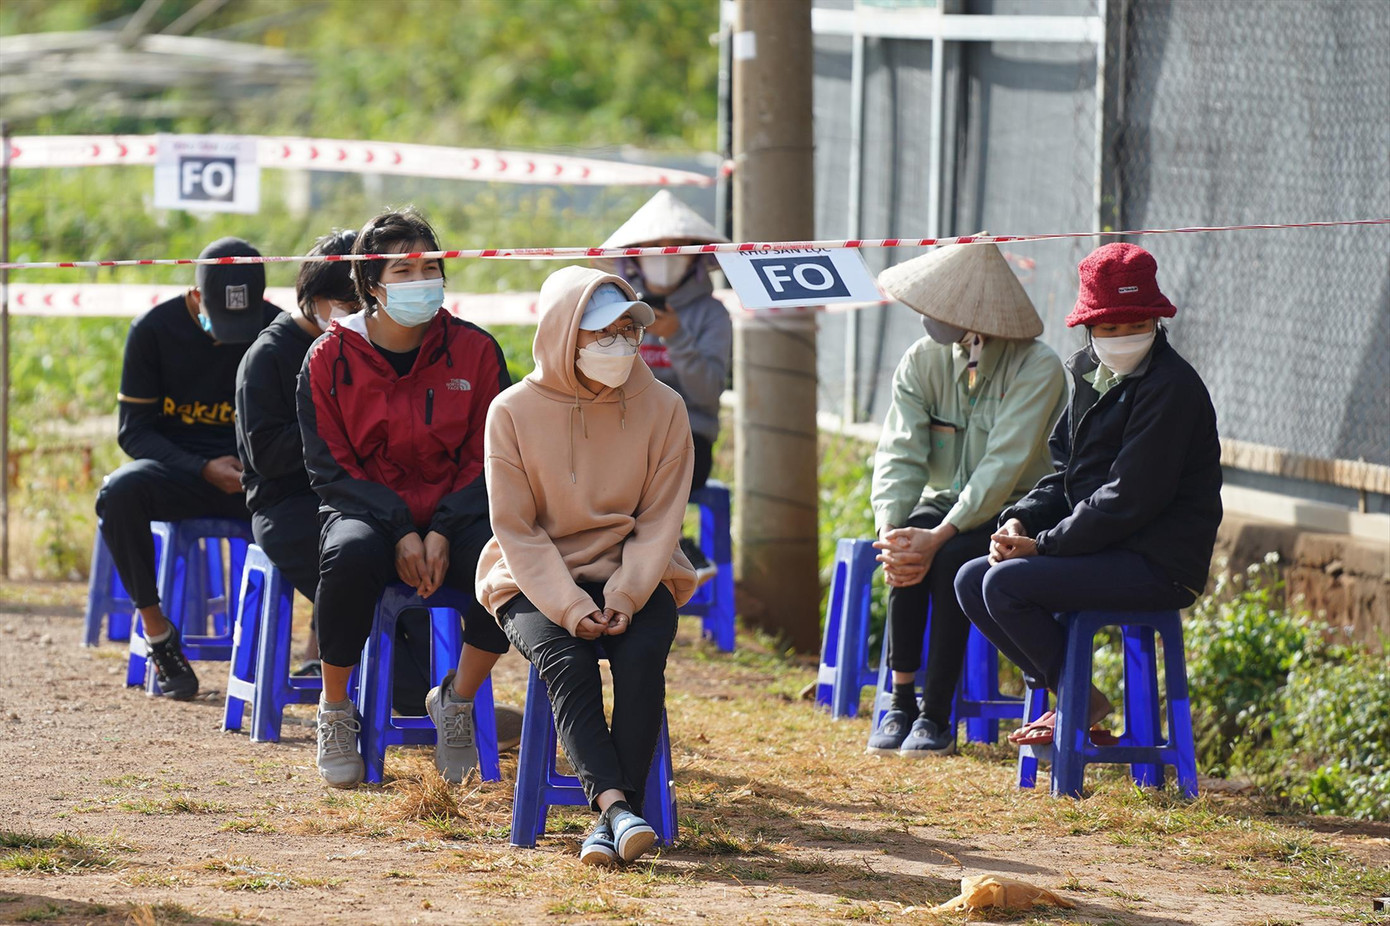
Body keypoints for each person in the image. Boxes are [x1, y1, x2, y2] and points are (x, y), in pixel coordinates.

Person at [953, 242, 1222, 746]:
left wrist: (1047, 546)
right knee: (972, 578)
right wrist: (1020, 522)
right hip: (1102, 550)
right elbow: (1065, 474)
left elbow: (1131, 496)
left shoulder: (1173, 387)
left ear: (1155, 322)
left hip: (1156, 563)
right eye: (1109, 328)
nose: (1122, 338)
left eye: (1134, 326)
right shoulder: (1087, 374)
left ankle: (1078, 700)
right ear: (1089, 329)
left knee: (1004, 586)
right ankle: (1072, 692)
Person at [477, 266, 696, 867]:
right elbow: (516, 528)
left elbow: (659, 522)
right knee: (565, 659)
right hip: (532, 575)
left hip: (639, 569)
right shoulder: (512, 411)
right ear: (560, 333)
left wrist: (624, 597)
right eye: (602, 332)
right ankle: (619, 810)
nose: (620, 343)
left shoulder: (665, 408)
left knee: (643, 652)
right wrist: (571, 607)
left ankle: (610, 816)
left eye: (629, 329)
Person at [298, 210, 511, 788]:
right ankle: (337, 708)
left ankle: (458, 699)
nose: (421, 280)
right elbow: (331, 466)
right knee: (348, 557)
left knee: (509, 565)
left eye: (430, 267)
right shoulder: (328, 358)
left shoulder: (475, 351)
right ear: (370, 285)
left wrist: (442, 527)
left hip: (458, 511)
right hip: (365, 511)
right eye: (403, 269)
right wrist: (399, 528)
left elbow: (488, 458)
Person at [866, 242, 1066, 757]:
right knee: (907, 544)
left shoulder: (1037, 366)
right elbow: (900, 451)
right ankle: (899, 699)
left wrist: (940, 535)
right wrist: (891, 529)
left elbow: (1004, 465)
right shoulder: (923, 360)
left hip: (1017, 508)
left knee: (952, 557)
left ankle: (936, 714)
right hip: (944, 500)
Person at [96, 237, 281, 700]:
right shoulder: (154, 331)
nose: (231, 335)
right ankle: (159, 636)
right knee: (118, 492)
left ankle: (313, 651)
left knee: (329, 508)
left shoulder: (277, 330)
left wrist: (262, 468)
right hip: (181, 471)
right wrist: (200, 467)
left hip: (257, 476)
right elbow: (133, 432)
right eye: (222, 321)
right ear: (196, 297)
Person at [235, 230, 358, 675]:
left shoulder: (360, 346)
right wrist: (339, 431)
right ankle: (418, 699)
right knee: (354, 579)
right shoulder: (268, 356)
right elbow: (266, 455)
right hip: (288, 506)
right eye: (349, 302)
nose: (358, 313)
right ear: (314, 297)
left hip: (347, 497)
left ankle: (445, 692)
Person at [603, 190, 731, 584]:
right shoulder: (613, 310)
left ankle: (665, 550)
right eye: (652, 247)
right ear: (634, 254)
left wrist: (677, 338)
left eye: (674, 248)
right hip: (621, 435)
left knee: (645, 469)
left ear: (695, 255)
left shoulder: (712, 315)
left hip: (689, 441)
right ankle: (670, 549)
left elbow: (708, 393)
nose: (663, 255)